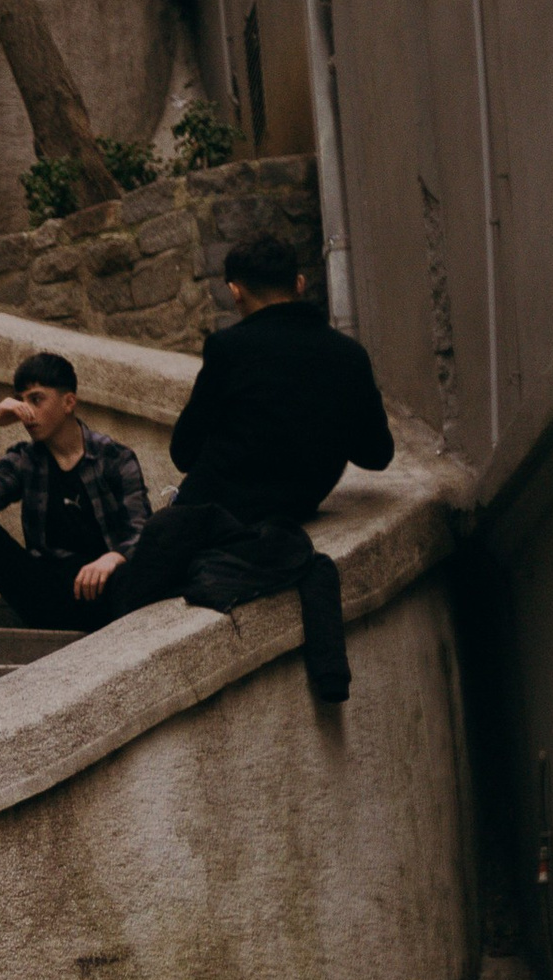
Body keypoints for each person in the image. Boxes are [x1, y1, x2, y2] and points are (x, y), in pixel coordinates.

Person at [91, 233, 395, 702]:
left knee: (125, 589)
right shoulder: (349, 356)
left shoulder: (230, 349)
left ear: (235, 290)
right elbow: (377, 455)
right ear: (297, 283)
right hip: (294, 510)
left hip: (214, 515)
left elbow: (183, 452)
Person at [0, 351, 152, 663]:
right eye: (21, 400)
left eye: (37, 399)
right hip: (46, 594)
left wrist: (113, 557)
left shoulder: (114, 459)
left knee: (133, 569)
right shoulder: (26, 459)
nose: (26, 411)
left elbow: (144, 531)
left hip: (104, 595)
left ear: (69, 402)